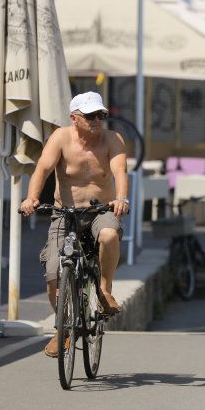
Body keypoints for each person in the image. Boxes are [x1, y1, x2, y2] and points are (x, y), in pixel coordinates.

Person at [20, 92, 129, 357]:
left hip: (99, 210)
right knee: (53, 276)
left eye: (101, 115)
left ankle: (104, 288)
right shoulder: (60, 138)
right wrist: (32, 197)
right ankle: (63, 329)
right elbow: (42, 169)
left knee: (109, 234)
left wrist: (121, 198)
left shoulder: (112, 140)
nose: (97, 121)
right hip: (65, 214)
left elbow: (120, 172)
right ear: (74, 118)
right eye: (90, 116)